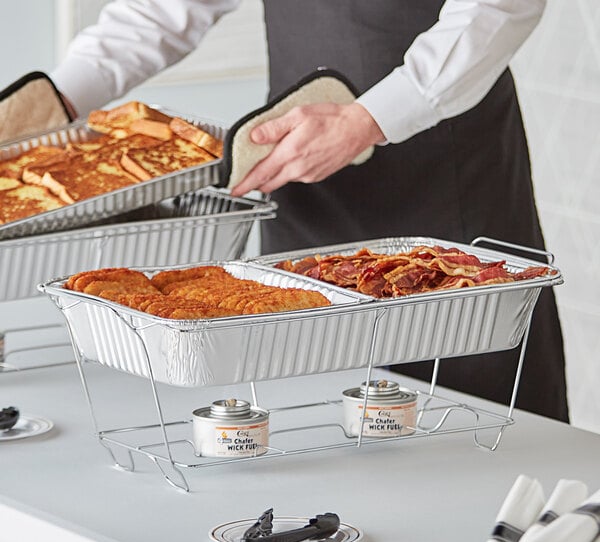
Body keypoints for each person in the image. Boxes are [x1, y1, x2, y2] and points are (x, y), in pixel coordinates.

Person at [48, 0, 568, 422]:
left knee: (471, 428)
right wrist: (55, 102)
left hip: (445, 186)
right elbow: (163, 10)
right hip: (305, 188)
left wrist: (370, 118)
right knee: (308, 417)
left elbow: (498, 8)